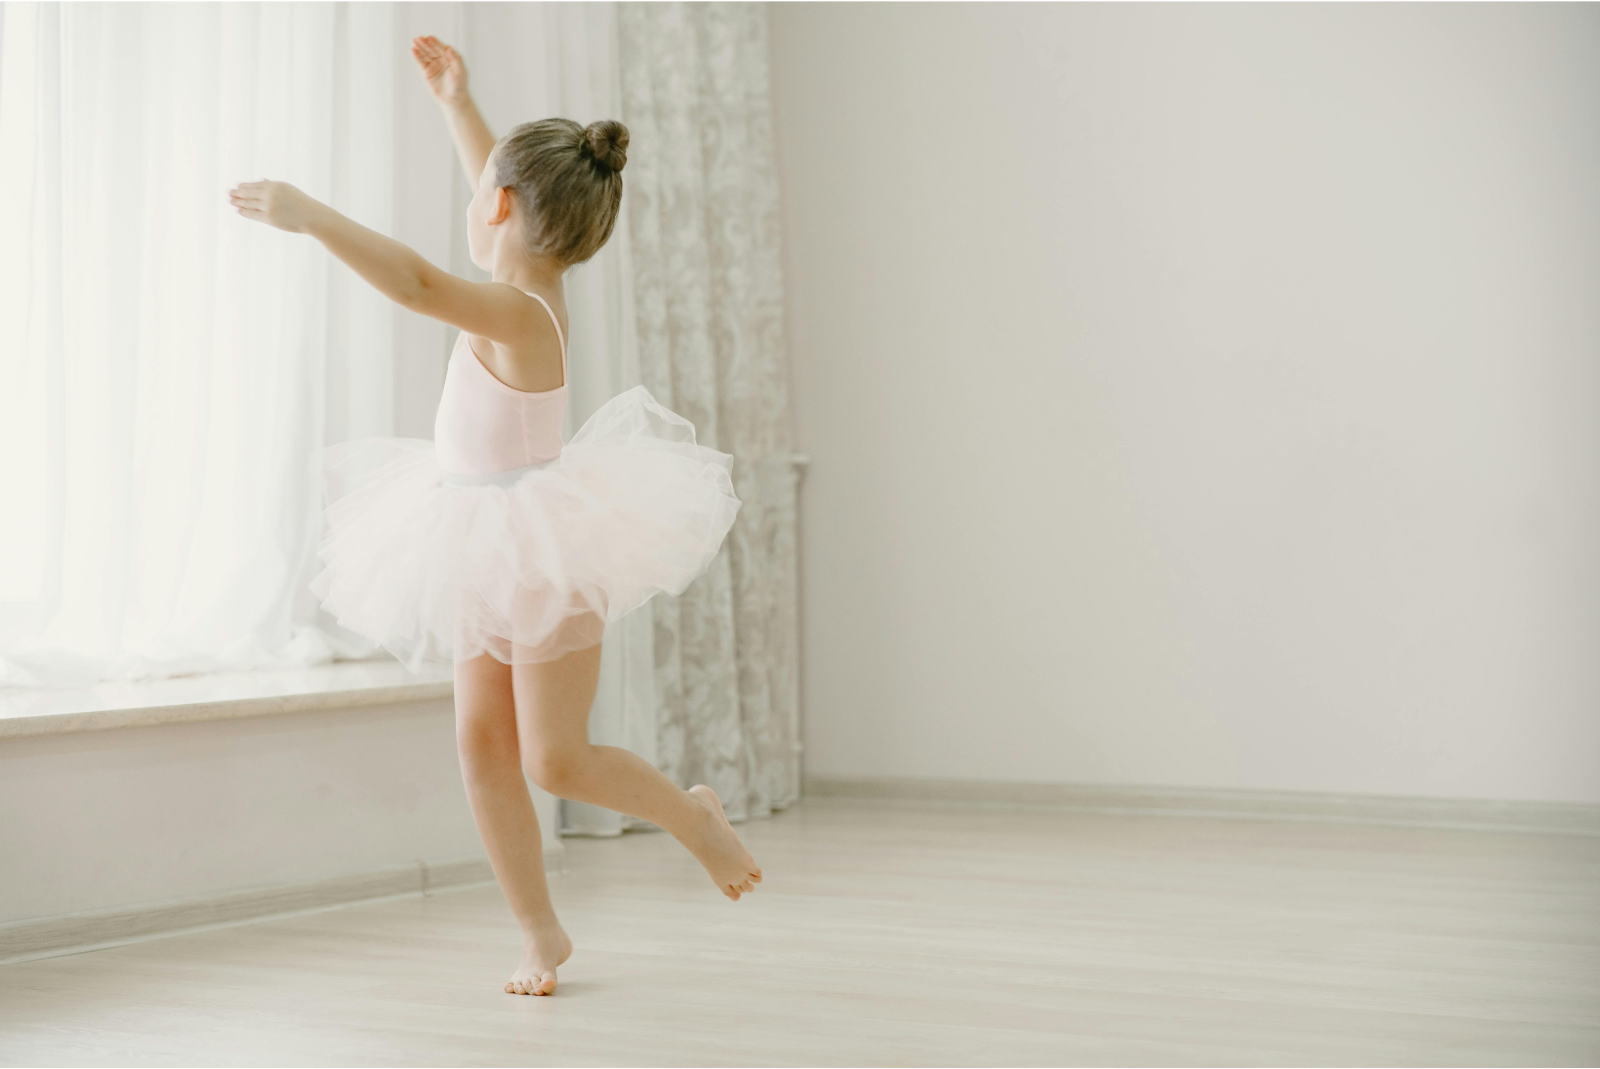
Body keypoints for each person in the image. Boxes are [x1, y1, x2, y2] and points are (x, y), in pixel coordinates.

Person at [228, 35, 762, 998]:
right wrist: (454, 103)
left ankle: (694, 817)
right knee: (481, 744)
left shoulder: (520, 311)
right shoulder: (528, 272)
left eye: (485, 190)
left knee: (554, 756)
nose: (475, 197)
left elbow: (419, 283)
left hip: (539, 545)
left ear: (506, 211)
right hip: (475, 535)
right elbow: (497, 181)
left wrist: (310, 215)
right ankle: (538, 931)